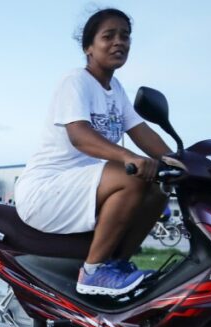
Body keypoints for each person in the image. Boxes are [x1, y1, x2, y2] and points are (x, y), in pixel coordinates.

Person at [14, 8, 172, 296]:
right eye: (108, 36)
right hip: (47, 190)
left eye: (125, 36)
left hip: (82, 187)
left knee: (159, 188)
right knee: (134, 175)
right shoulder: (76, 81)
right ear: (88, 47)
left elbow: (143, 133)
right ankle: (93, 272)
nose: (119, 42)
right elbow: (80, 136)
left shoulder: (116, 90)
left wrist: (180, 163)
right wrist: (128, 157)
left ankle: (115, 265)